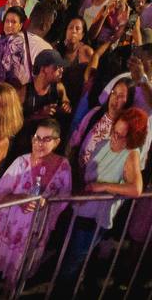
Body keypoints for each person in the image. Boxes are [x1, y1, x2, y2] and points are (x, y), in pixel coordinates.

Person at [0, 119, 73, 293]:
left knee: (17, 273)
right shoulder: (21, 162)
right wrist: (19, 198)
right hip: (8, 228)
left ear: (57, 142)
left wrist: (47, 203)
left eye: (46, 139)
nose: (39, 143)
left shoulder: (63, 166)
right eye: (37, 138)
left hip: (34, 233)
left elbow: (64, 198)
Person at [58, 107, 147, 283]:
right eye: (114, 131)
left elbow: (136, 189)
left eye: (120, 135)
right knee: (65, 258)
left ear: (132, 137)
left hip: (95, 219)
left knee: (71, 266)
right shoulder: (102, 143)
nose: (114, 137)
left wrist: (103, 186)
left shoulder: (131, 154)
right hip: (78, 209)